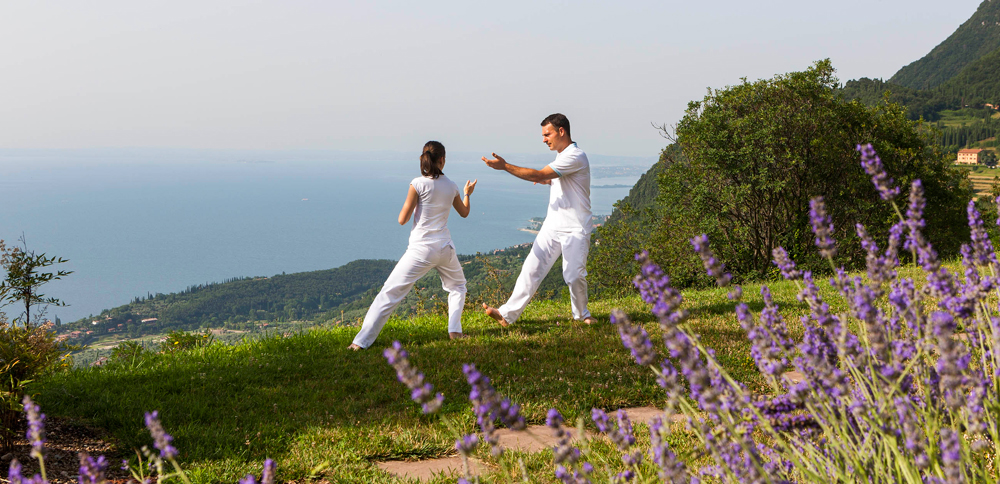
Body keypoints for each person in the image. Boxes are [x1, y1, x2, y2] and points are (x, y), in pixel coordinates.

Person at [348, 141, 477, 350]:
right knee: (458, 287)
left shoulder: (417, 183)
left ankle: (360, 342)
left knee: (390, 293)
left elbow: (402, 219)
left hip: (421, 250)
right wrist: (467, 193)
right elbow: (464, 213)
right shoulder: (452, 186)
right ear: (443, 160)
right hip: (445, 249)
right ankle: (455, 332)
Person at [481, 113, 594, 326]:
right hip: (553, 226)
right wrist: (548, 182)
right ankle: (506, 315)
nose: (544, 139)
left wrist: (505, 166)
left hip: (575, 227)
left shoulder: (575, 156)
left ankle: (582, 315)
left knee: (574, 275)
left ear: (561, 131)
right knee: (531, 269)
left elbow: (539, 174)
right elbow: (558, 180)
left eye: (547, 134)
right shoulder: (562, 157)